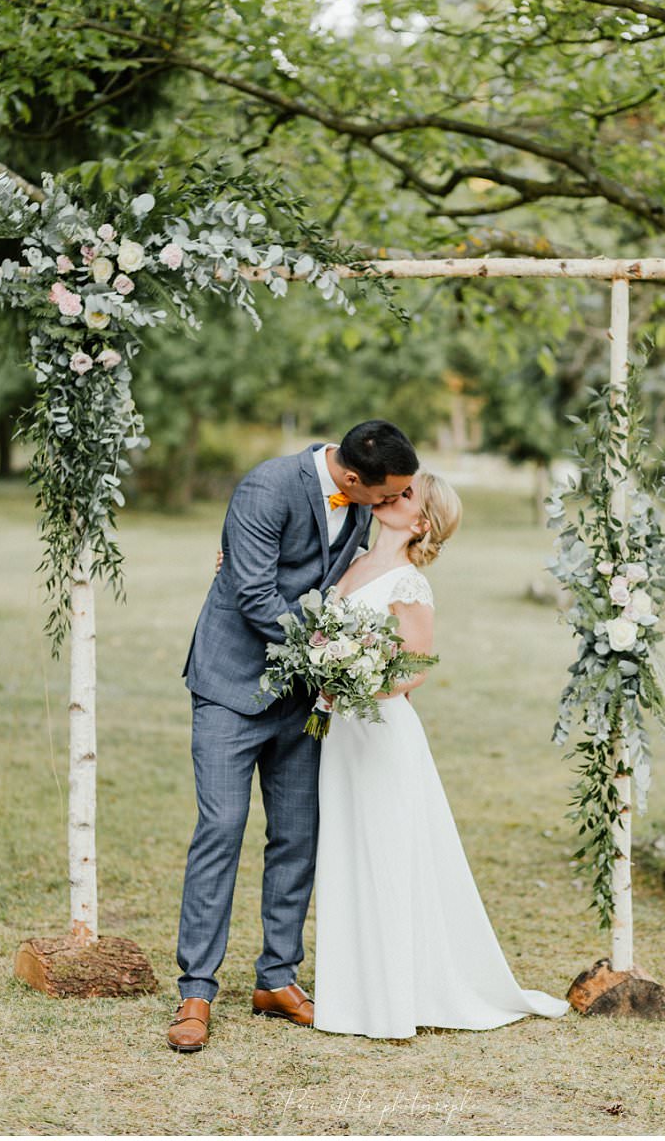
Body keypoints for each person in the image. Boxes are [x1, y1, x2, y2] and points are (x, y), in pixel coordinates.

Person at [170, 421, 418, 1053]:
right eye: (388, 496)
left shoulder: (363, 505)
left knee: (297, 837)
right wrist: (331, 652)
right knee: (221, 831)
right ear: (353, 479)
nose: (392, 505)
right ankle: (196, 990)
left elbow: (349, 583)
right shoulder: (266, 487)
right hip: (231, 687)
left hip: (302, 699)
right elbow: (254, 595)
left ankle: (276, 978)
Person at [311, 470, 568, 1038]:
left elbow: (413, 671)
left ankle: (396, 997)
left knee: (388, 853)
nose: (389, 497)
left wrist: (353, 679)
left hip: (381, 733)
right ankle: (352, 992)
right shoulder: (351, 562)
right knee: (348, 849)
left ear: (421, 522)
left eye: (404, 497)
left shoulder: (409, 583)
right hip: (342, 737)